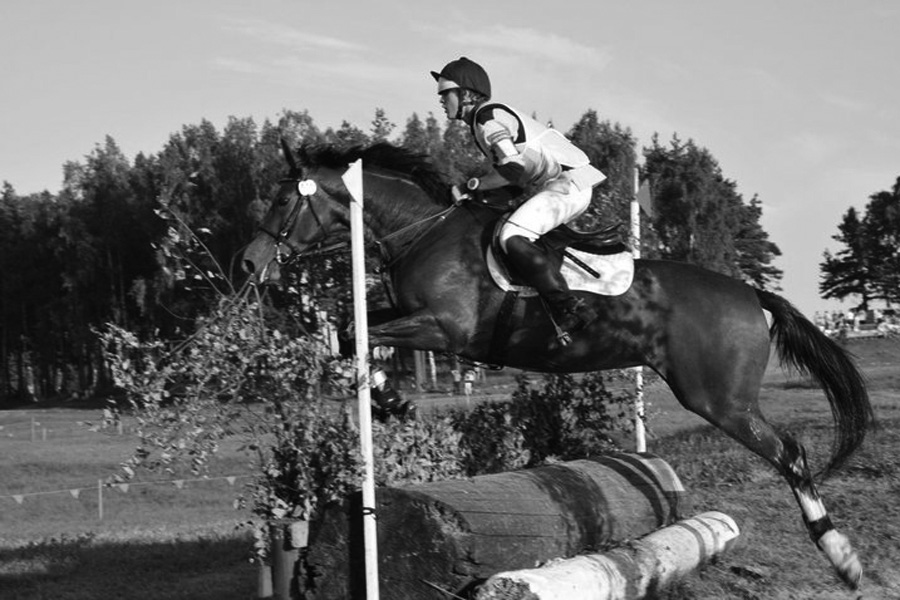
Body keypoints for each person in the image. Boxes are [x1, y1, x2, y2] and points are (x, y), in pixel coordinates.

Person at [430, 57, 608, 339]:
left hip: (570, 184)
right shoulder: (482, 121)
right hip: (561, 185)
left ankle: (569, 308)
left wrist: (470, 186)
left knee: (511, 235)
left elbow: (513, 171)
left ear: (466, 94)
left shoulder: (487, 119)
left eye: (445, 93)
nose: (441, 100)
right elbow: (514, 181)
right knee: (502, 227)